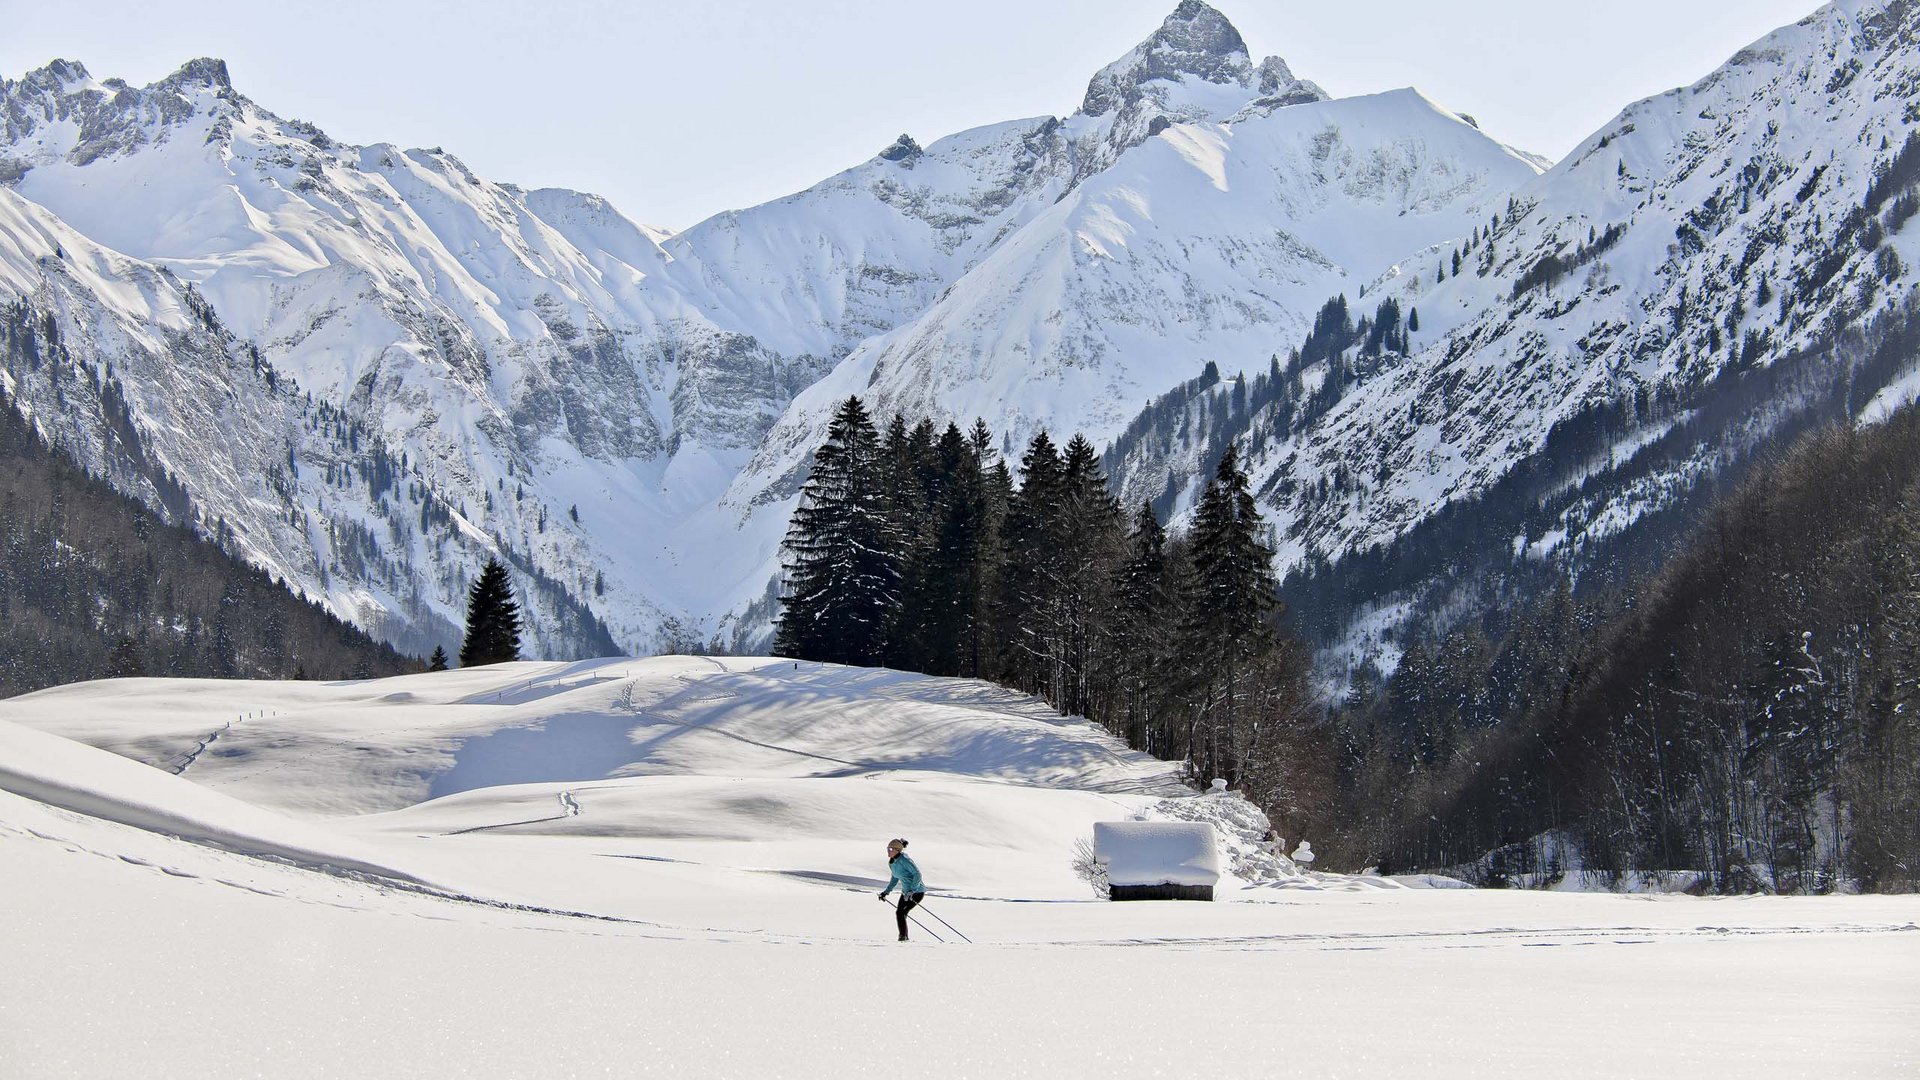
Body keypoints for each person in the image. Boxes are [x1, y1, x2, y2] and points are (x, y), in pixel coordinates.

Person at [877, 837, 925, 941]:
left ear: (897, 850)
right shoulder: (892, 862)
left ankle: (903, 937)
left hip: (917, 892)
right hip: (905, 893)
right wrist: (886, 892)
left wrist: (912, 890)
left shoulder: (904, 860)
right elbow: (894, 878)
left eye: (890, 849)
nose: (888, 851)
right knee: (900, 913)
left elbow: (917, 874)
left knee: (901, 913)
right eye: (887, 849)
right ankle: (903, 936)